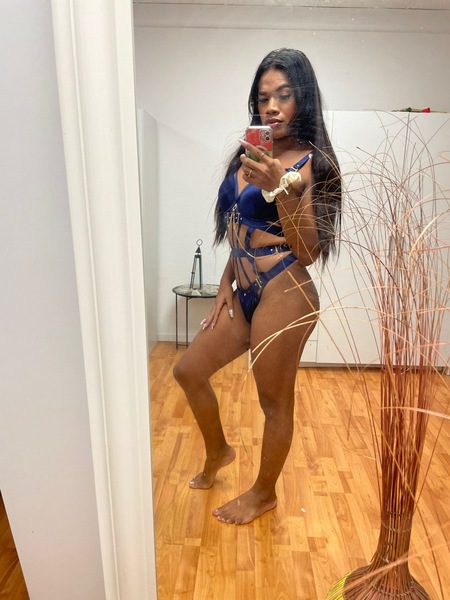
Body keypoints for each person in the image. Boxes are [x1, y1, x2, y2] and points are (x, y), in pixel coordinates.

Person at [173, 48, 341, 525]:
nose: (272, 107)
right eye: (263, 97)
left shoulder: (313, 165)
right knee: (187, 371)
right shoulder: (251, 153)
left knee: (273, 401)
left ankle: (264, 493)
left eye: (283, 96)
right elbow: (239, 226)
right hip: (242, 286)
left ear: (303, 99)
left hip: (285, 289)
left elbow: (307, 250)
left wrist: (282, 190)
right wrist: (226, 281)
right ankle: (219, 450)